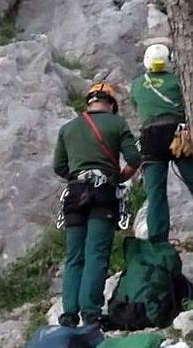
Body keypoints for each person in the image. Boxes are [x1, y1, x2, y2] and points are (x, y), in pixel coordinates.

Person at [53, 83, 141, 327]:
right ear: (111, 104)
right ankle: (91, 312)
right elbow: (134, 158)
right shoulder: (117, 124)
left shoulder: (68, 128)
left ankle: (69, 314)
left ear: (88, 103)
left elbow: (59, 167)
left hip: (74, 192)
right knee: (96, 253)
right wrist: (121, 175)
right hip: (103, 191)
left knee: (74, 256)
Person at [131, 44, 193, 243]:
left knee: (156, 193)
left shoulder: (138, 84)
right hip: (177, 135)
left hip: (150, 138)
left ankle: (158, 242)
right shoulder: (177, 80)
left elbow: (136, 107)